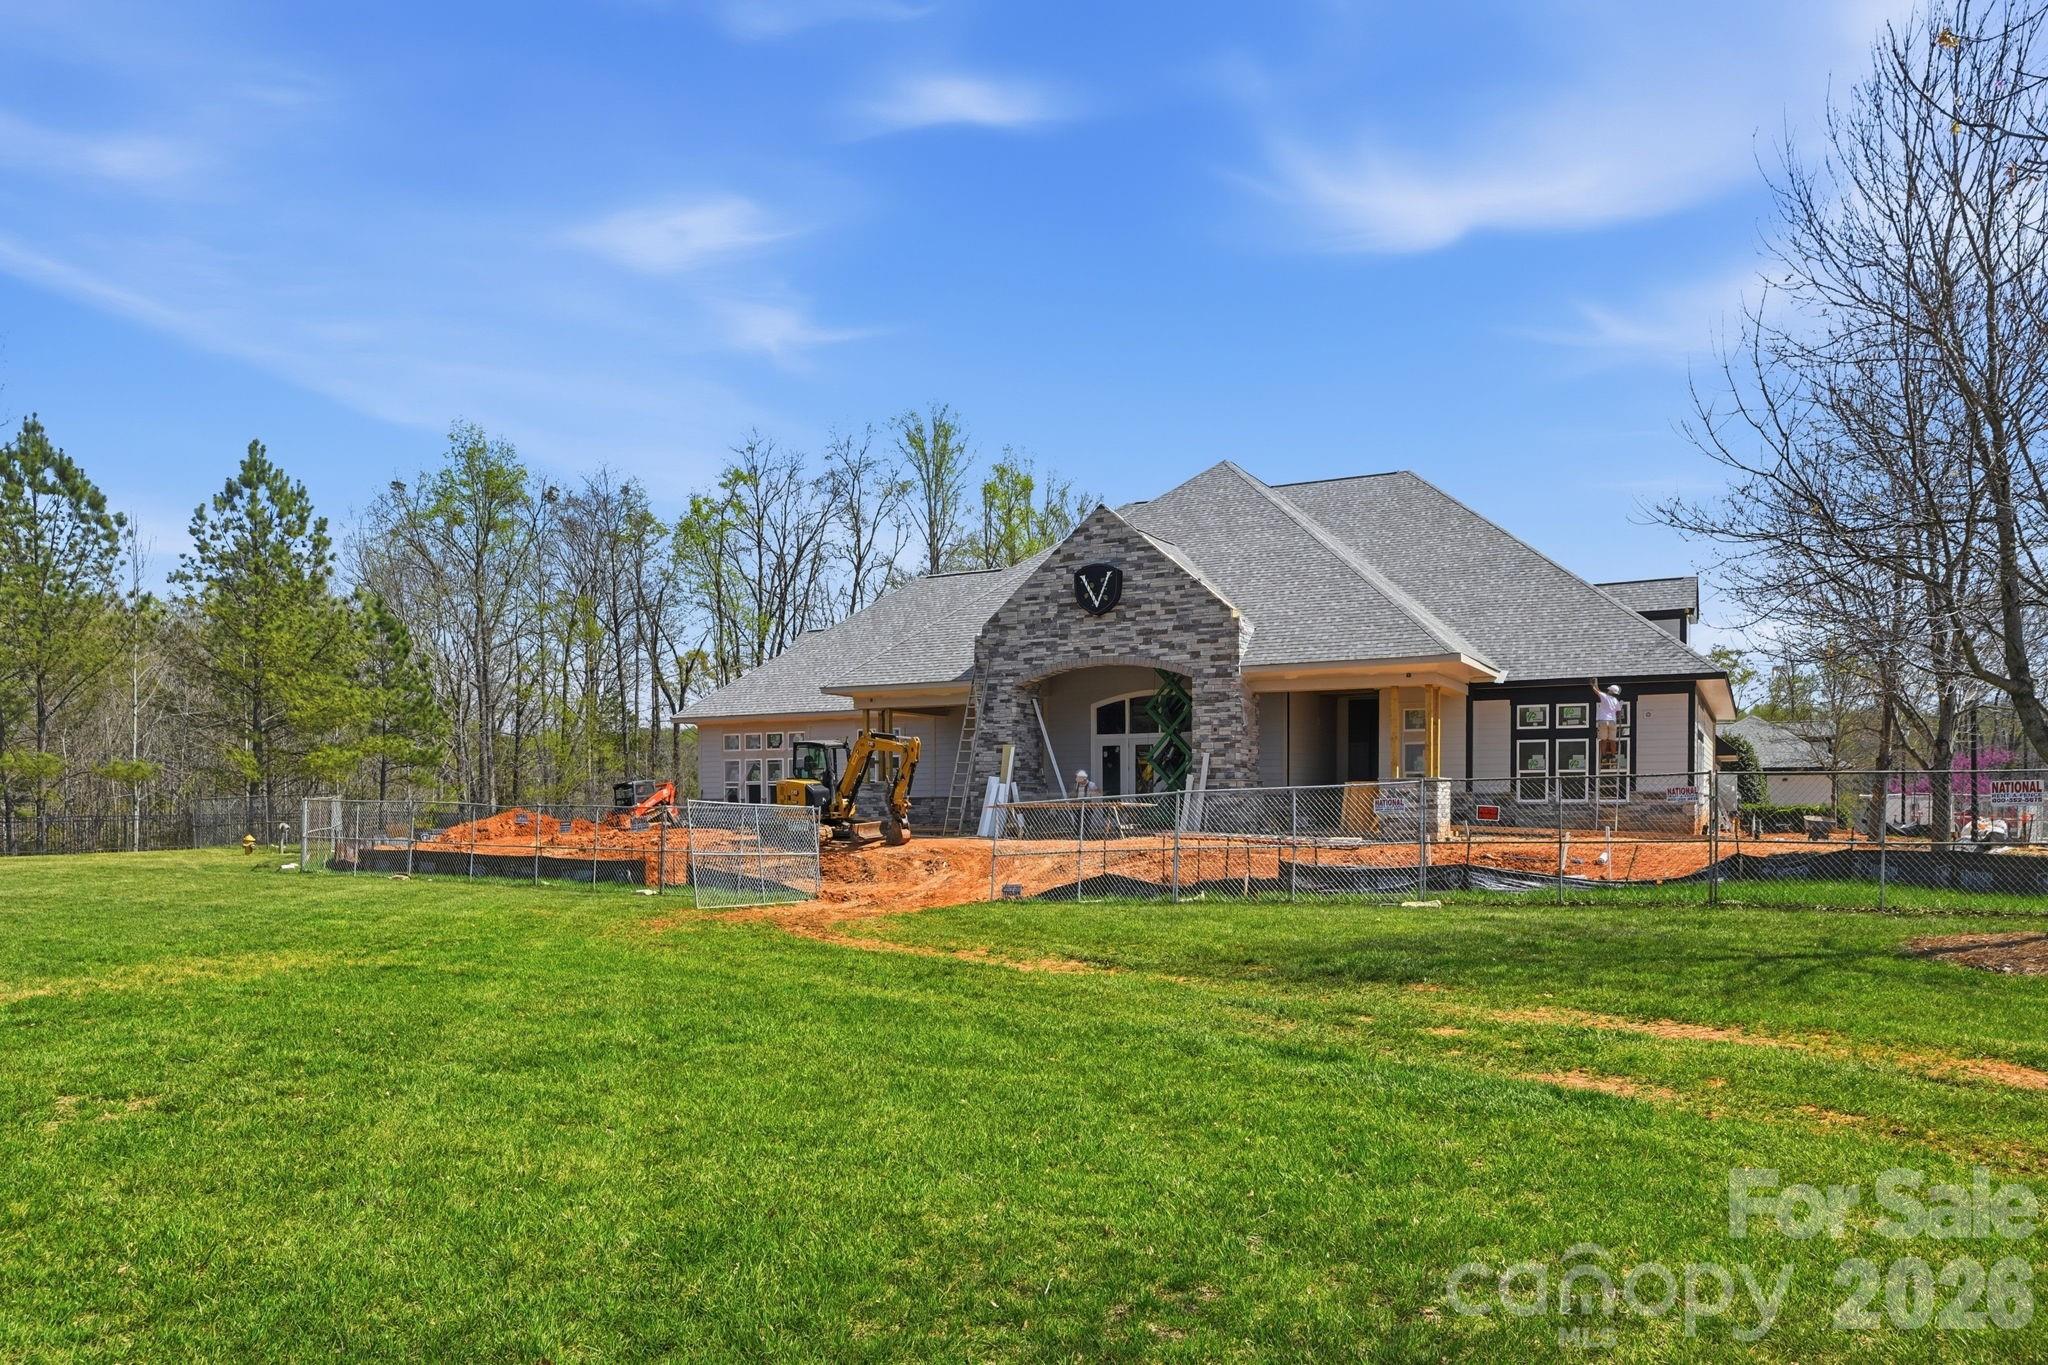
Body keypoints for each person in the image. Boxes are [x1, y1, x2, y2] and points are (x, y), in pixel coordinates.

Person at [1596, 684, 1624, 758]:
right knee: (1612, 740)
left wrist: (1593, 685)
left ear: (1610, 690)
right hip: (1612, 721)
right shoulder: (1615, 701)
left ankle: (1604, 756)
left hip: (1603, 721)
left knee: (1603, 740)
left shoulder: (1604, 696)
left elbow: (1597, 691)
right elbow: (1618, 712)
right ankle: (1613, 755)